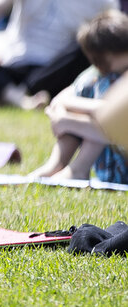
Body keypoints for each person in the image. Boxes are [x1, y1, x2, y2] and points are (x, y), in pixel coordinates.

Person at [29, 10, 128, 183]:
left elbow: (112, 115)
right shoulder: (98, 75)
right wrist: (63, 112)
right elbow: (61, 99)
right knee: (90, 85)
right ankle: (55, 165)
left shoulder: (114, 78)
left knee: (103, 90)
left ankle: (79, 169)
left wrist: (68, 121)